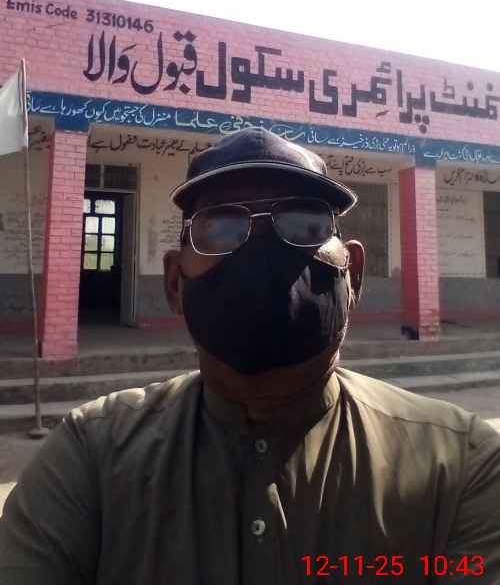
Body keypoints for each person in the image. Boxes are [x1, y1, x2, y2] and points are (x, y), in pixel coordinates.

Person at [1, 127, 499, 584]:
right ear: (174, 283)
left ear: (354, 275)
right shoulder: (90, 456)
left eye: (305, 223)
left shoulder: (459, 466)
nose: (261, 250)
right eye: (220, 227)